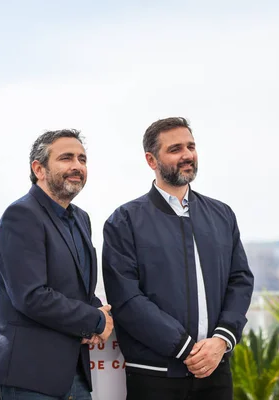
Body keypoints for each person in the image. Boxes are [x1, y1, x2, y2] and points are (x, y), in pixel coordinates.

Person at [102, 117, 254, 399]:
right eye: (175, 149)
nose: (187, 155)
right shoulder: (124, 221)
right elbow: (127, 299)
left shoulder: (222, 215)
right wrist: (185, 349)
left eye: (191, 146)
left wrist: (221, 340)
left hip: (215, 371)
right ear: (151, 160)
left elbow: (240, 280)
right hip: (155, 375)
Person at [0, 129, 114, 400]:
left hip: (73, 372)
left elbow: (75, 288)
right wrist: (96, 320)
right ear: (39, 168)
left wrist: (97, 309)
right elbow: (31, 296)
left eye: (82, 159)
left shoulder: (81, 218)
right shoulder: (20, 216)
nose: (77, 166)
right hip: (28, 378)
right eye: (66, 158)